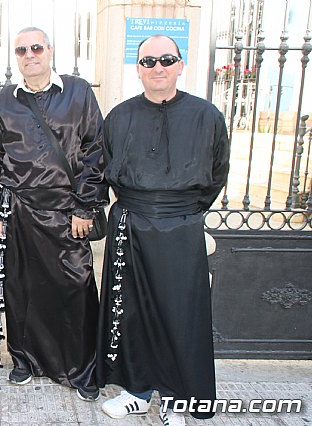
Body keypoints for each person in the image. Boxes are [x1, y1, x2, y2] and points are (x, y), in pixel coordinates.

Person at [95, 35, 230, 426]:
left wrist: (182, 213)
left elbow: (216, 174)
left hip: (181, 226)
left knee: (179, 315)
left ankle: (175, 398)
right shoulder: (119, 117)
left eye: (166, 60)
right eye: (148, 61)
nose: (158, 67)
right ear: (137, 69)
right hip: (131, 225)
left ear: (180, 65)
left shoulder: (207, 116)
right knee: (132, 314)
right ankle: (137, 391)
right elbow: (105, 169)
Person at [0, 26, 108, 401]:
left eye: (36, 47)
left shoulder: (78, 92)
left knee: (75, 288)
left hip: (68, 212)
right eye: (21, 50)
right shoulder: (4, 101)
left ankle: (81, 369)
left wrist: (86, 205)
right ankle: (25, 361)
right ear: (15, 57)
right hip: (21, 211)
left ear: (50, 50)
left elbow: (96, 149)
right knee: (22, 289)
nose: (29, 54)